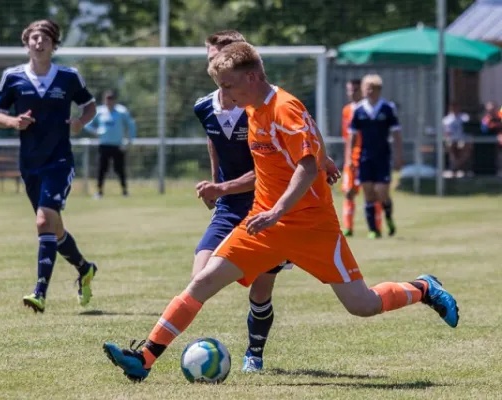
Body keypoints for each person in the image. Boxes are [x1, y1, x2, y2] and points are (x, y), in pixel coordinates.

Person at [102, 42, 459, 382]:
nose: (225, 95)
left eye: (228, 86)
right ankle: (144, 358)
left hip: (311, 228)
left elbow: (304, 166)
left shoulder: (284, 107)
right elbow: (305, 146)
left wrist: (278, 209)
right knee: (203, 281)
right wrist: (306, 176)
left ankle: (424, 288)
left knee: (362, 305)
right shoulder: (253, 109)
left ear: (252, 77)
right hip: (264, 225)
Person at [193, 30, 331, 372]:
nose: (216, 63)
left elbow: (282, 159)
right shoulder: (204, 107)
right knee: (199, 279)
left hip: (265, 203)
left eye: (222, 57)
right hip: (229, 206)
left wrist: (323, 158)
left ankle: (253, 353)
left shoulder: (258, 106)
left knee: (260, 287)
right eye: (211, 59)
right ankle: (193, 353)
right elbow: (214, 143)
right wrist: (216, 184)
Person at [0, 19, 98, 313]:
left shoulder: (68, 77)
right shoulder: (12, 78)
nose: (39, 43)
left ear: (53, 45)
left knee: (43, 221)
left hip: (59, 161)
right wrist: (14, 121)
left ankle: (40, 292)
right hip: (30, 164)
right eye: (34, 38)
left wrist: (78, 123)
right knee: (54, 228)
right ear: (27, 43)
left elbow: (90, 105)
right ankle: (85, 269)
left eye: (45, 39)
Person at [348, 74, 402, 239]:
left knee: (382, 192)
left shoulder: (387, 108)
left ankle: (388, 218)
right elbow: (353, 136)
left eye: (373, 89)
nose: (369, 91)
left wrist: (399, 155)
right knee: (368, 193)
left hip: (383, 156)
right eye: (366, 88)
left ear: (379, 90)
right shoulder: (358, 110)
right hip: (365, 157)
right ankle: (374, 230)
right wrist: (351, 158)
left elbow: (397, 134)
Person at [341, 79, 381, 237]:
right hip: (351, 157)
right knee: (349, 192)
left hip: (366, 156)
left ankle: (375, 228)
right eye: (350, 90)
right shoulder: (346, 110)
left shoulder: (368, 109)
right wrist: (347, 158)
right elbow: (346, 137)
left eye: (355, 89)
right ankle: (348, 227)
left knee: (370, 192)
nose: (352, 93)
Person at [85, 89, 136, 198]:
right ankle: (99, 192)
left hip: (118, 145)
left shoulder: (122, 112)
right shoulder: (99, 111)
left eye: (111, 99)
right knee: (102, 169)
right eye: (107, 99)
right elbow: (87, 124)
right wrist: (96, 131)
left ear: (115, 100)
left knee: (120, 169)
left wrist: (129, 141)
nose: (109, 101)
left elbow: (131, 125)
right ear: (104, 100)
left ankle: (124, 191)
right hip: (104, 145)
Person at [443, 102, 471, 178]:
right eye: (453, 107)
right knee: (451, 146)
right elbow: (446, 133)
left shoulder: (464, 117)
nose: (454, 109)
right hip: (452, 140)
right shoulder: (446, 120)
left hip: (463, 139)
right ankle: (457, 167)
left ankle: (454, 168)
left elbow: (469, 128)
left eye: (456, 107)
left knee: (466, 147)